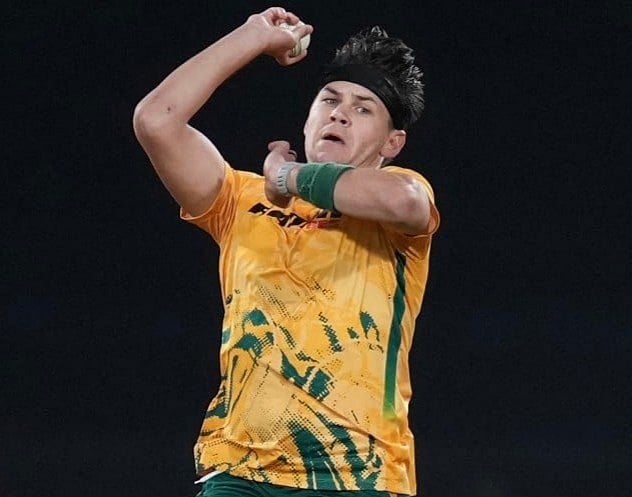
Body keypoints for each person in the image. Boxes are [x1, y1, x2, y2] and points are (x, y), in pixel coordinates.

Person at [133, 6, 440, 497]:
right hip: (240, 474)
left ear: (392, 143)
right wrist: (253, 36)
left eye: (363, 108)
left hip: (356, 475)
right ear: (309, 116)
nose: (339, 112)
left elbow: (403, 201)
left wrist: (286, 176)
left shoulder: (397, 203)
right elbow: (156, 120)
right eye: (329, 100)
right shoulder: (239, 199)